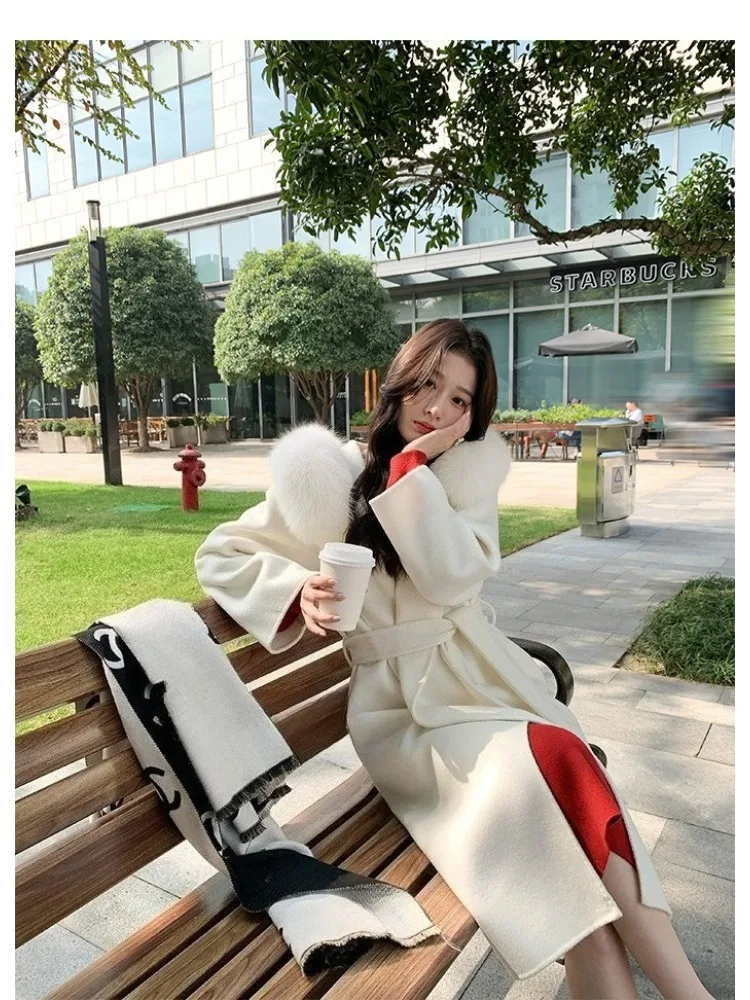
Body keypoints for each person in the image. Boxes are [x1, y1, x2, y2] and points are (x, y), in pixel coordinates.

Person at [195, 319, 714, 999]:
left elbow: (450, 580)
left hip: (481, 682)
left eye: (460, 400)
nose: (437, 408)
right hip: (406, 717)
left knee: (574, 858)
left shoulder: (465, 473)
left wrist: (412, 472)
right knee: (561, 764)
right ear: (400, 380)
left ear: (475, 414)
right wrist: (296, 591)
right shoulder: (327, 475)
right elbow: (220, 553)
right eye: (428, 385)